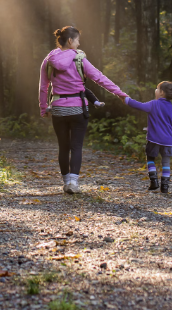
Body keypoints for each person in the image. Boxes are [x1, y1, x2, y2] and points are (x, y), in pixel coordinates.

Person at [39, 26, 128, 194]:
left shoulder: (49, 59)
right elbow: (99, 78)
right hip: (78, 109)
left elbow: (44, 87)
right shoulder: (79, 59)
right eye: (78, 40)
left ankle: (66, 183)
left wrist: (44, 108)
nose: (79, 44)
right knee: (76, 146)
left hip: (58, 109)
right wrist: (120, 93)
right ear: (71, 40)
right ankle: (74, 182)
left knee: (63, 147)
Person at [122, 81, 172, 194]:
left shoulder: (153, 104)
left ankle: (154, 181)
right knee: (166, 163)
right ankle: (165, 186)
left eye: (157, 88)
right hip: (168, 141)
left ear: (161, 93)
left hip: (154, 139)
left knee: (150, 158)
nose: (155, 90)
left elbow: (138, 105)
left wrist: (126, 99)